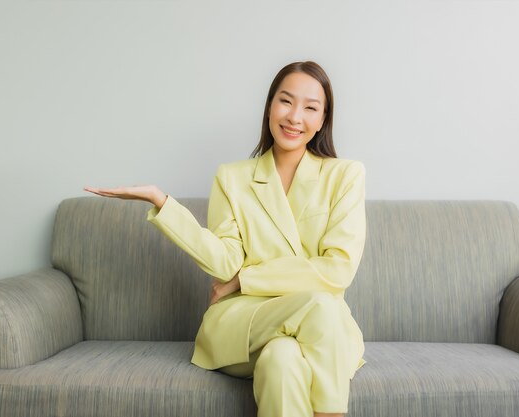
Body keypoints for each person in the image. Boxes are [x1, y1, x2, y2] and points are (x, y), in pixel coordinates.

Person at [84, 61, 367, 417]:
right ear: (269, 107)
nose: (295, 116)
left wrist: (244, 280)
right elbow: (226, 261)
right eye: (286, 101)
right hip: (245, 322)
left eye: (311, 107)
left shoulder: (344, 176)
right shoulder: (232, 178)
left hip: (318, 331)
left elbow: (337, 270)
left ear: (323, 119)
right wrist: (163, 203)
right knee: (320, 304)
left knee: (282, 358)